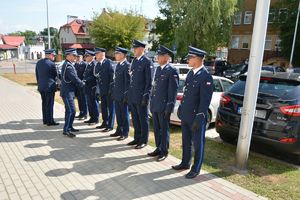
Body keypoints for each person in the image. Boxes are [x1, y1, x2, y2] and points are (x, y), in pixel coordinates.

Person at [172, 46, 213, 179]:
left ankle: (196, 169)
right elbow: (186, 93)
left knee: (198, 143)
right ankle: (185, 163)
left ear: (198, 59)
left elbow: (205, 100)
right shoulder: (191, 73)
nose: (188, 59)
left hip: (196, 117)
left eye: (190, 57)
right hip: (186, 115)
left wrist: (200, 117)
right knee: (186, 141)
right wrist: (181, 108)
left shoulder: (205, 76)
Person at [148, 45, 179, 161]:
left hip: (164, 106)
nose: (157, 57)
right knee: (156, 128)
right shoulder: (159, 69)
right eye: (158, 55)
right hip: (156, 104)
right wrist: (151, 102)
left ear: (166, 57)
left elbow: (173, 91)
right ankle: (158, 147)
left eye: (160, 55)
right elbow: (155, 88)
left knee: (164, 129)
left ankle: (164, 151)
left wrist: (169, 107)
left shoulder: (171, 70)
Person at [127, 39, 153, 149]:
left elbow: (149, 82)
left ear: (141, 49)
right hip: (133, 95)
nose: (134, 50)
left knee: (143, 119)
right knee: (135, 118)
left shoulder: (147, 62)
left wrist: (146, 96)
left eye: (135, 48)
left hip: (142, 96)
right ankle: (137, 138)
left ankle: (143, 140)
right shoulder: (135, 61)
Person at [60, 48, 85, 138]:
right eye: (74, 55)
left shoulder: (68, 64)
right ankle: (66, 130)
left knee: (70, 110)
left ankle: (69, 127)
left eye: (76, 55)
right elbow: (74, 78)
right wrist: (82, 83)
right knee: (71, 110)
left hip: (68, 91)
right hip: (67, 92)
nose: (75, 57)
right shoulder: (69, 66)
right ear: (68, 56)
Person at [110, 47, 130, 141]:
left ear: (122, 55)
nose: (115, 55)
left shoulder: (127, 66)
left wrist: (126, 95)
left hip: (123, 95)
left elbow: (127, 83)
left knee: (124, 114)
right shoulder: (118, 65)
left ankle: (125, 132)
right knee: (118, 114)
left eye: (117, 53)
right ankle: (119, 130)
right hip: (117, 94)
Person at [35, 49, 59, 126]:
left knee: (44, 103)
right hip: (49, 87)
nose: (54, 57)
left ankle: (45, 120)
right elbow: (56, 75)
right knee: (49, 104)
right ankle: (50, 121)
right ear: (49, 55)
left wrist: (39, 84)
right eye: (53, 55)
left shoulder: (39, 62)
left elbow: (37, 75)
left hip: (41, 87)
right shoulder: (52, 64)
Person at [94, 47, 115, 132]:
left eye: (97, 54)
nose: (95, 55)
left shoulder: (109, 62)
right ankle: (105, 122)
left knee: (111, 108)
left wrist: (111, 89)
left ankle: (110, 125)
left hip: (109, 90)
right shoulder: (98, 64)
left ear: (102, 54)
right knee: (103, 107)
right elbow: (98, 76)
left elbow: (112, 78)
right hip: (102, 90)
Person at [83, 50, 99, 125]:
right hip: (87, 87)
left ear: (92, 57)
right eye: (85, 56)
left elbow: (94, 76)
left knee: (94, 103)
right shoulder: (88, 64)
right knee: (89, 103)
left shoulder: (94, 64)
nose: (85, 57)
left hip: (93, 87)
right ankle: (91, 117)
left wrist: (86, 80)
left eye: (87, 56)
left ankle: (95, 119)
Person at [74, 53, 88, 120]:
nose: (78, 58)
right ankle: (81, 113)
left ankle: (85, 114)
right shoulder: (75, 64)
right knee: (79, 100)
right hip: (77, 86)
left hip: (83, 85)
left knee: (84, 100)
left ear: (82, 57)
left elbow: (85, 74)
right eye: (77, 57)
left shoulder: (84, 64)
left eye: (79, 56)